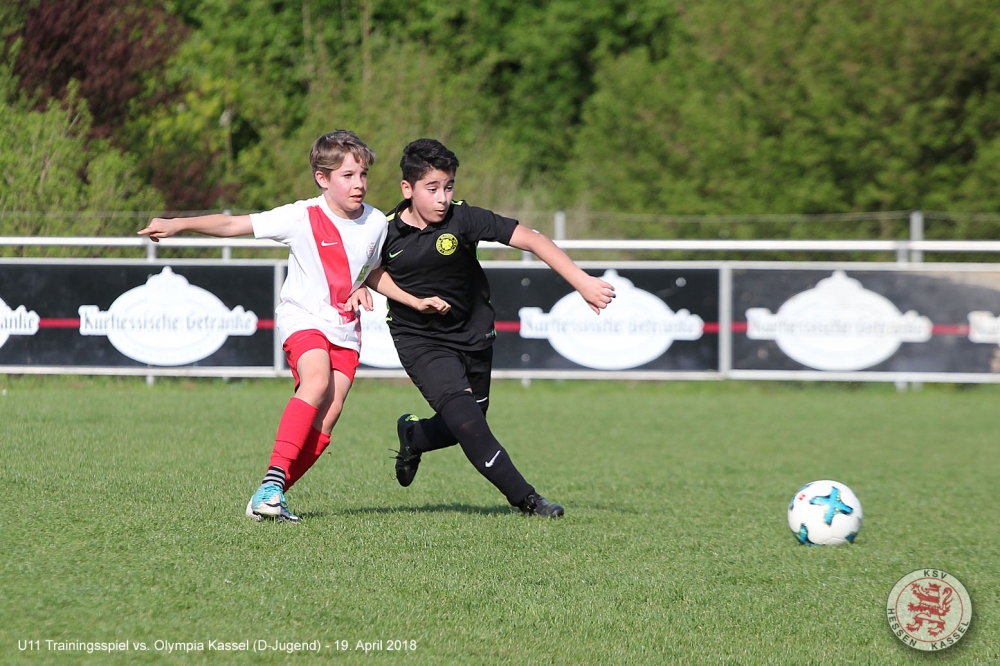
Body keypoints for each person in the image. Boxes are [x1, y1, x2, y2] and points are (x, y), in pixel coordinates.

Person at [139, 130, 449, 522]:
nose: (359, 183)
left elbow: (370, 272)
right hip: (303, 318)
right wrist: (178, 225)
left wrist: (408, 299)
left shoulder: (375, 222)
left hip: (345, 330)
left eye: (363, 174)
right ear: (322, 178)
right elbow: (232, 225)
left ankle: (270, 494)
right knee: (315, 383)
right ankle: (272, 484)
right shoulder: (301, 216)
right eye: (348, 175)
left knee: (329, 416)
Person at [362, 138, 615, 517]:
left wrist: (582, 281)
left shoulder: (464, 219)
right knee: (466, 421)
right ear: (407, 189)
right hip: (420, 339)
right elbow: (368, 271)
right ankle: (529, 501)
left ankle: (414, 435)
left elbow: (532, 239)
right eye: (432, 189)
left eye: (448, 187)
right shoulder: (383, 231)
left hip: (473, 335)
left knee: (468, 420)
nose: (442, 198)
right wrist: (410, 301)